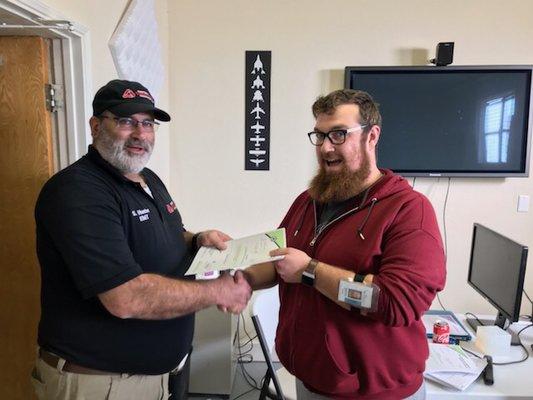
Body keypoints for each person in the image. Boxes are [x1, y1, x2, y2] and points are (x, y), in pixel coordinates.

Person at [31, 79, 251, 400]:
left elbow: (169, 232)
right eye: (125, 121)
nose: (140, 134)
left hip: (153, 378)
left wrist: (196, 239)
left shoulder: (146, 178)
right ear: (95, 125)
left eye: (148, 123)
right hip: (100, 383)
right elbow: (126, 298)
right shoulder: (79, 192)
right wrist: (217, 291)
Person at [245, 89, 446, 399]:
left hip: (374, 391)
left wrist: (310, 271)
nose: (325, 147)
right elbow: (282, 259)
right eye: (320, 135)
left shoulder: (409, 210)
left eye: (339, 134)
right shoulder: (308, 201)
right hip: (312, 378)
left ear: (371, 136)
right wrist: (242, 280)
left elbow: (395, 302)